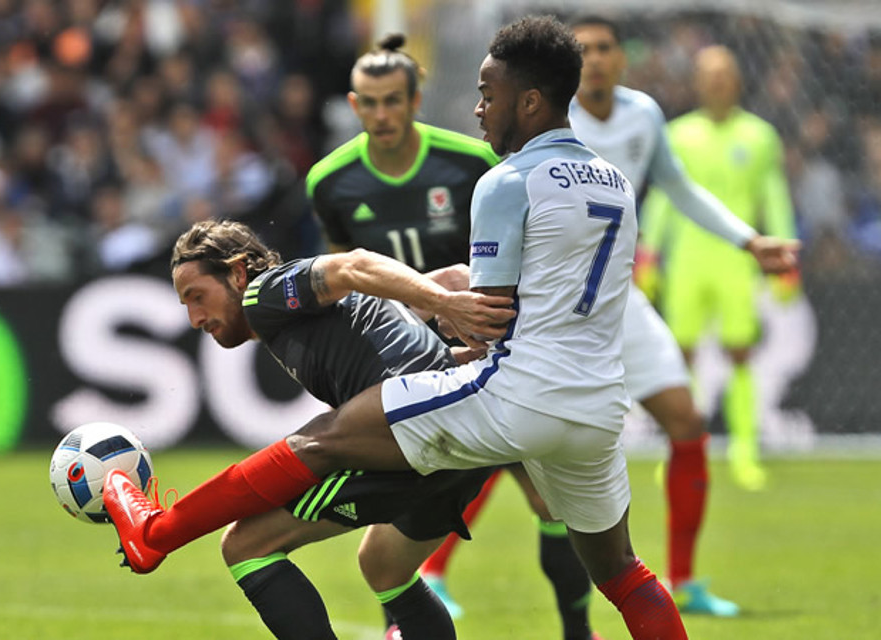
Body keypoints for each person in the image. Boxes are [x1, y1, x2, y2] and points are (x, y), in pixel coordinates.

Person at [104, 16, 690, 639]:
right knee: (621, 573)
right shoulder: (617, 185)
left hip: (520, 395)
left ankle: (157, 534)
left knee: (323, 440)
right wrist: (446, 297)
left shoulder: (505, 181)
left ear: (530, 101)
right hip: (599, 408)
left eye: (489, 95)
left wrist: (451, 311)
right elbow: (543, 294)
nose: (477, 109)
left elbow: (486, 315)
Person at [413, 16, 803, 621]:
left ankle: (687, 577)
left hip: (614, 301)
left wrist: (748, 241)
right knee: (508, 437)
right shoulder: (543, 118)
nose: (594, 59)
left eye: (604, 48)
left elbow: (680, 189)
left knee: (684, 419)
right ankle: (434, 570)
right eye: (585, 49)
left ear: (621, 60)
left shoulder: (640, 114)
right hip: (551, 311)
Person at [307, 33, 598, 640]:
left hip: (491, 355)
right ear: (354, 106)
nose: (382, 114)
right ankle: (401, 628)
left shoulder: (472, 164)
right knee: (392, 516)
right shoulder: (330, 182)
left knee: (549, 505)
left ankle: (577, 630)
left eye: (393, 100)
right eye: (368, 102)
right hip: (400, 365)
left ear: (415, 99)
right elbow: (342, 281)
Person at [169, 219, 502, 640]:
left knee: (246, 545)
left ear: (237, 273)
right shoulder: (329, 318)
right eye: (186, 306)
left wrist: (444, 301)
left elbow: (355, 263)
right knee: (384, 565)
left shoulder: (263, 292)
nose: (196, 318)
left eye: (197, 297)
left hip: (411, 433)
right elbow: (423, 362)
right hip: (464, 444)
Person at [638, 44, 799, 493]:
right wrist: (649, 252)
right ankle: (682, 449)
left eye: (724, 73)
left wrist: (786, 259)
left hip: (736, 261)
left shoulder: (759, 135)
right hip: (688, 259)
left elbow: (774, 195)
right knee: (680, 355)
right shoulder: (678, 134)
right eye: (708, 74)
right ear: (696, 82)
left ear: (737, 80)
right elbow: (666, 197)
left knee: (740, 352)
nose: (716, 82)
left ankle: (745, 450)